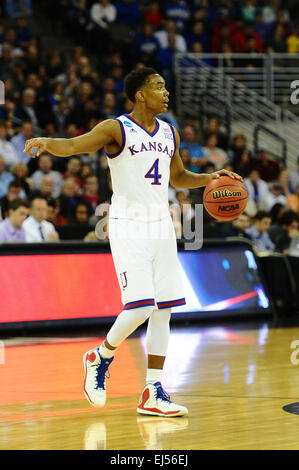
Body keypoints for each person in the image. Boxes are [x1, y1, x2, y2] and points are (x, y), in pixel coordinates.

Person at [24, 67, 242, 417]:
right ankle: (100, 357)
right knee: (140, 306)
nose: (166, 91)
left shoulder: (170, 132)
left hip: (161, 225)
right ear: (140, 95)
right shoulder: (116, 128)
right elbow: (77, 145)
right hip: (127, 223)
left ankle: (153, 391)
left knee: (164, 310)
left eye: (165, 86)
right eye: (158, 86)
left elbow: (178, 176)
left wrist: (209, 178)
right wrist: (47, 142)